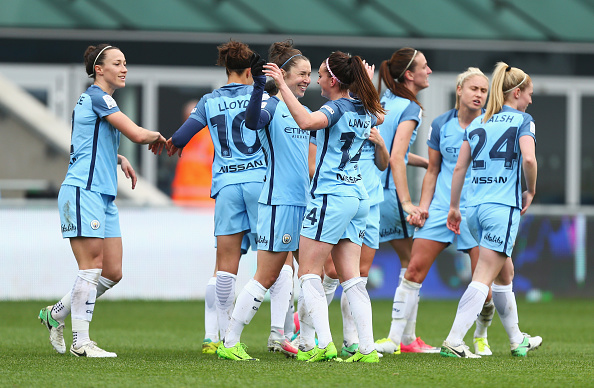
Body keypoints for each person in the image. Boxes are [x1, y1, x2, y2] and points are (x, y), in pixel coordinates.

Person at [38, 43, 166, 357]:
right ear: (100, 69)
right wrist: (162, 137)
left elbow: (87, 144)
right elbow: (137, 133)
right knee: (91, 267)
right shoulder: (99, 97)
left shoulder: (97, 101)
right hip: (83, 190)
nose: (124, 69)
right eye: (118, 63)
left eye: (125, 63)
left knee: (112, 271)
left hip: (102, 193)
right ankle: (82, 342)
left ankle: (54, 314)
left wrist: (118, 158)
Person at [265, 51, 385, 363]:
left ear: (333, 80)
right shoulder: (366, 108)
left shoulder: (335, 107)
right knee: (352, 278)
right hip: (359, 196)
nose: (316, 80)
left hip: (332, 195)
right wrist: (365, 86)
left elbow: (305, 121)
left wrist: (283, 85)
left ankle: (324, 345)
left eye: (320, 75)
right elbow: (379, 115)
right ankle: (368, 349)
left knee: (307, 272)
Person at [382, 67, 497, 357]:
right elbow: (433, 170)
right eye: (474, 89)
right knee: (413, 271)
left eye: (484, 91)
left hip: (475, 213)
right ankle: (395, 340)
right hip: (440, 210)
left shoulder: (492, 125)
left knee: (484, 287)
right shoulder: (441, 124)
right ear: (460, 90)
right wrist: (423, 206)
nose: (479, 95)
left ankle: (481, 337)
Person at [166, 40, 266, 351]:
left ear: (226, 69)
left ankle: (217, 337)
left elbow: (181, 137)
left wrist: (168, 143)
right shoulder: (261, 95)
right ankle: (281, 335)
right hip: (260, 183)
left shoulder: (210, 100)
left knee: (225, 265)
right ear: (251, 70)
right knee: (278, 261)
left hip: (226, 187)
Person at [216, 40, 312, 361]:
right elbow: (252, 122)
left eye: (310, 74)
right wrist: (260, 88)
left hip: (302, 202)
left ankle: (304, 341)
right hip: (278, 201)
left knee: (312, 273)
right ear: (283, 75)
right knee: (267, 276)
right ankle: (229, 342)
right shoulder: (272, 103)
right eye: (302, 74)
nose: (307, 80)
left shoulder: (303, 110)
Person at [442, 62, 541, 358]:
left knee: (504, 273)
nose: (531, 100)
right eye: (530, 93)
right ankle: (454, 340)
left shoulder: (476, 123)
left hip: (473, 208)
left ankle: (515, 340)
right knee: (484, 276)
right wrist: (531, 189)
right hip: (501, 208)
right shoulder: (523, 120)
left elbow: (460, 167)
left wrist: (454, 207)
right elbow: (529, 160)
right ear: (517, 92)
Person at [373, 47, 438, 354]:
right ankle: (405, 339)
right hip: (388, 195)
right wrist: (408, 202)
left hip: (367, 189)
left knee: (340, 268)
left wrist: (424, 163)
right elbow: (395, 157)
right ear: (409, 75)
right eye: (424, 67)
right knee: (414, 264)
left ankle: (298, 328)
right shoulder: (411, 107)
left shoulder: (384, 101)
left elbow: (392, 148)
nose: (429, 71)